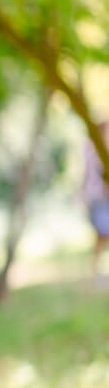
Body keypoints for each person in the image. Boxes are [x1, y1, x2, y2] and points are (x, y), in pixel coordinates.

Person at [82, 121, 109, 283]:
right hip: (97, 197)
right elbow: (89, 175)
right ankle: (95, 272)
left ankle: (96, 272)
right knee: (101, 235)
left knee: (102, 236)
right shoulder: (92, 149)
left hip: (102, 198)